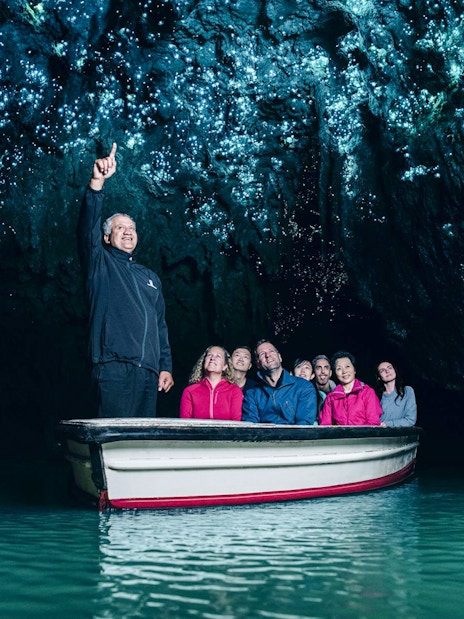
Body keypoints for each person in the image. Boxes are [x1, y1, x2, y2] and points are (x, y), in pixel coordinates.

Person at [77, 142, 174, 417]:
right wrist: (97, 182)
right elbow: (87, 230)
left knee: (141, 442)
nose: (128, 232)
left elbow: (160, 326)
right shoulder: (101, 262)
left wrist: (165, 365)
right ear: (107, 237)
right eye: (120, 227)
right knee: (114, 437)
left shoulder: (150, 277)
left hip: (148, 372)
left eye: (132, 228)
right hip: (113, 366)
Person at [242, 340, 317, 425]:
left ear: (280, 357)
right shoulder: (252, 394)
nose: (268, 355)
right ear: (258, 364)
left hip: (296, 437)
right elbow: (250, 427)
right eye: (262, 354)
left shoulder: (304, 387)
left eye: (271, 351)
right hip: (265, 437)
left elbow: (304, 425)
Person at [180, 346, 243, 420]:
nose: (212, 358)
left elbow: (236, 423)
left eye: (218, 356)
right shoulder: (190, 391)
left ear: (225, 366)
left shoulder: (234, 391)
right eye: (209, 355)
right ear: (203, 362)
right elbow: (185, 424)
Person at [319, 351, 381, 426]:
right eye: (339, 369)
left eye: (347, 366)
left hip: (364, 437)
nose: (344, 371)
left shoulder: (367, 392)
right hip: (340, 437)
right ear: (335, 373)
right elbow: (325, 425)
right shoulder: (331, 398)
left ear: (354, 370)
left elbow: (373, 422)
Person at [375, 360, 417, 427]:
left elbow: (410, 420)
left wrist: (387, 424)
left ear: (395, 371)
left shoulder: (407, 391)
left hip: (399, 435)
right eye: (382, 370)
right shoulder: (376, 396)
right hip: (379, 434)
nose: (387, 371)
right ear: (379, 377)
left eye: (390, 368)